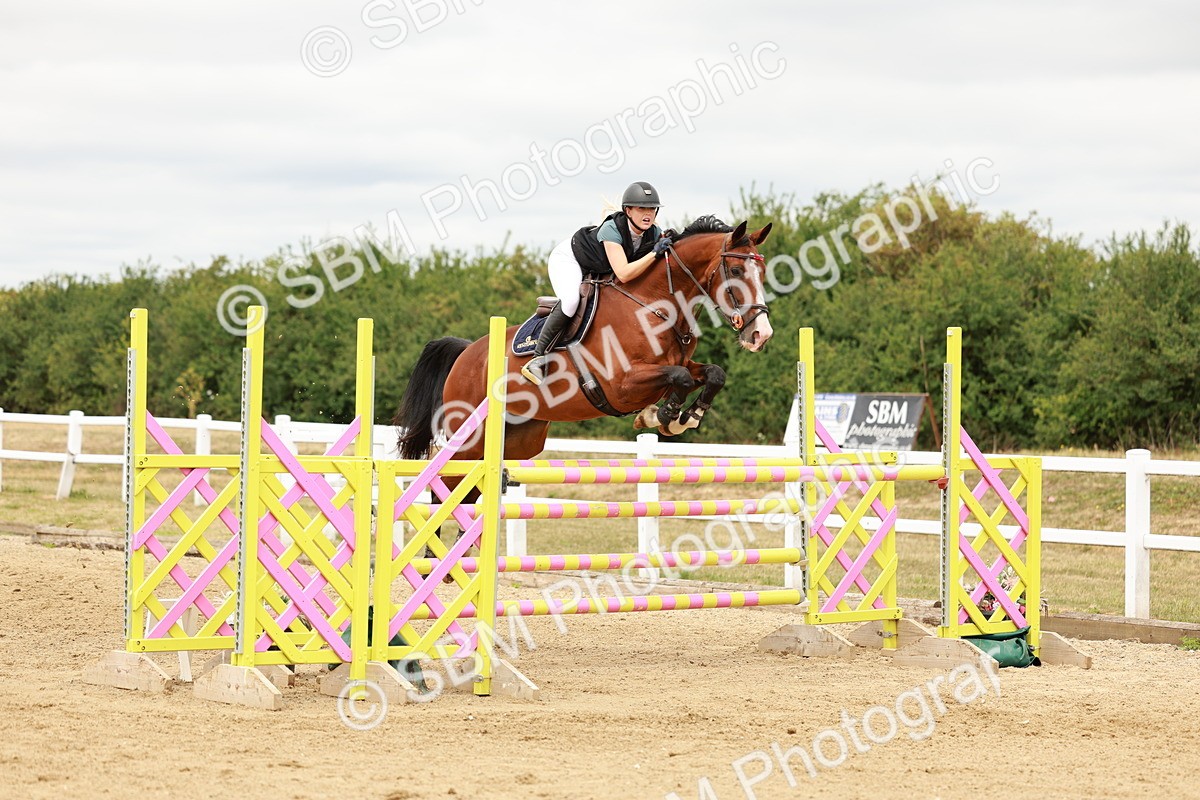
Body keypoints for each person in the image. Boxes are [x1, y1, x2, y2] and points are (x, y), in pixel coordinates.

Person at [521, 181, 673, 385]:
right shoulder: (612, 229)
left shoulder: (654, 232)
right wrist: (655, 253)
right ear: (628, 210)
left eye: (652, 209)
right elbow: (624, 273)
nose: (648, 214)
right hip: (569, 259)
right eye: (641, 208)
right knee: (571, 301)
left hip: (597, 267)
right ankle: (537, 358)